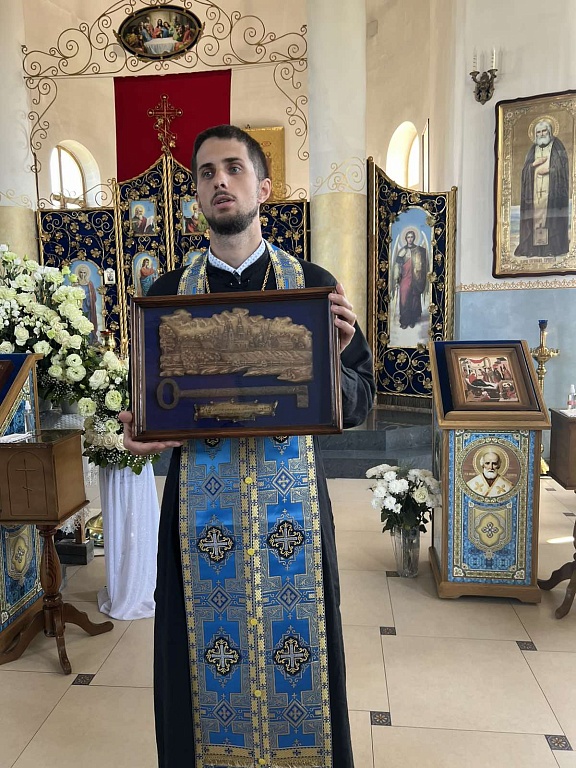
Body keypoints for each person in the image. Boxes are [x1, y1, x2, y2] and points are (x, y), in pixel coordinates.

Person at [120, 124, 375, 768]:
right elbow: (146, 412)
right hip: (199, 514)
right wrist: (139, 434)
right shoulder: (166, 297)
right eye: (206, 173)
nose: (220, 182)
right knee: (196, 656)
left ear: (263, 187)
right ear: (196, 195)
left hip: (292, 509)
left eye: (234, 168)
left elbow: (360, 401)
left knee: (302, 652)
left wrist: (336, 360)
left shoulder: (312, 287)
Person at [514, 118, 570, 258]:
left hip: (551, 193)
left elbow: (563, 169)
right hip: (534, 194)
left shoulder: (557, 146)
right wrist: (534, 165)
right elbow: (525, 171)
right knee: (535, 218)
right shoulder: (532, 150)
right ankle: (533, 248)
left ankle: (551, 247)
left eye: (544, 131)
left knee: (550, 219)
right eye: (538, 132)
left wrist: (550, 170)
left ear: (550, 132)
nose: (541, 134)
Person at [392, 229, 428, 329]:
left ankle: (412, 320)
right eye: (408, 237)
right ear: (406, 238)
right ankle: (405, 320)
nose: (410, 239)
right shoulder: (402, 251)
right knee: (404, 298)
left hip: (415, 279)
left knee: (414, 299)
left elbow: (423, 266)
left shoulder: (419, 250)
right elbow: (397, 265)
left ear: (414, 238)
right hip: (405, 278)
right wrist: (396, 276)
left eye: (412, 237)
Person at [75, 263, 98, 344]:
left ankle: (90, 341)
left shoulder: (89, 283)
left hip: (88, 306)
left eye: (84, 273)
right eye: (81, 272)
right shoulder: (76, 283)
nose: (82, 274)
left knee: (88, 322)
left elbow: (94, 296)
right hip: (79, 306)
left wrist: (87, 296)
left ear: (87, 273)